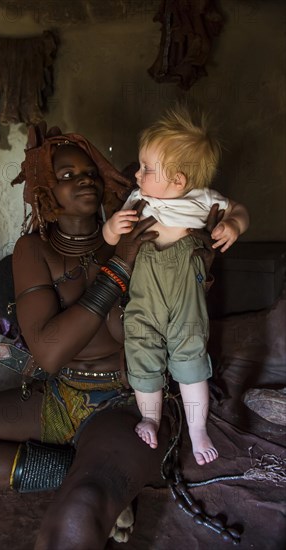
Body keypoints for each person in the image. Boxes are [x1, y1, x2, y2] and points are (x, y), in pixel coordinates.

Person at [0, 124, 221, 550]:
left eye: (90, 173)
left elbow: (181, 297)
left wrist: (203, 257)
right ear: (44, 190)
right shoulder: (35, 250)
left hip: (128, 402)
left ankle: (95, 473)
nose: (84, 180)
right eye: (66, 175)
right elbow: (49, 353)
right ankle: (69, 466)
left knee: (83, 506)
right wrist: (118, 268)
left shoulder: (142, 231)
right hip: (58, 395)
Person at [103, 106, 249, 465]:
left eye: (146, 168)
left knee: (191, 360)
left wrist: (233, 226)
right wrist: (114, 226)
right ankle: (150, 418)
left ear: (179, 180)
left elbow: (240, 211)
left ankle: (198, 430)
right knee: (143, 352)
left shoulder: (202, 201)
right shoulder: (138, 201)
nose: (136, 174)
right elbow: (108, 240)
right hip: (145, 298)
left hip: (186, 300)